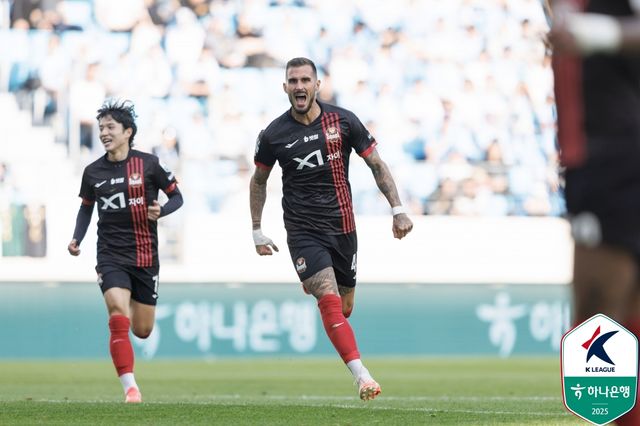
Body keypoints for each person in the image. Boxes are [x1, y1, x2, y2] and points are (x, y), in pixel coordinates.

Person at [249, 57, 413, 401]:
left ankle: (323, 291)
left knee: (344, 306)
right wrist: (257, 229)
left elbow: (376, 164)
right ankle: (362, 376)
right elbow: (259, 180)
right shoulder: (274, 134)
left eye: (305, 80)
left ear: (317, 85)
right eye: (293, 81)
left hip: (342, 227)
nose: (299, 86)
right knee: (328, 298)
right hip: (302, 230)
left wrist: (397, 209)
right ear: (285, 87)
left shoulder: (343, 120)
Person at [549, 1, 640, 424]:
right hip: (595, 159)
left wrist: (599, 33)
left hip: (616, 155)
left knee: (598, 316)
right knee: (611, 316)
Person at [67, 99, 183, 403]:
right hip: (110, 255)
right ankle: (130, 387)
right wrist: (77, 238)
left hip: (145, 256)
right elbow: (86, 208)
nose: (104, 133)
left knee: (142, 330)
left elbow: (177, 197)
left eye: (110, 127)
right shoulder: (93, 172)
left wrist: (162, 211)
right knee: (117, 313)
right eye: (101, 128)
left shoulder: (149, 164)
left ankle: (131, 298)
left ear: (128, 131)